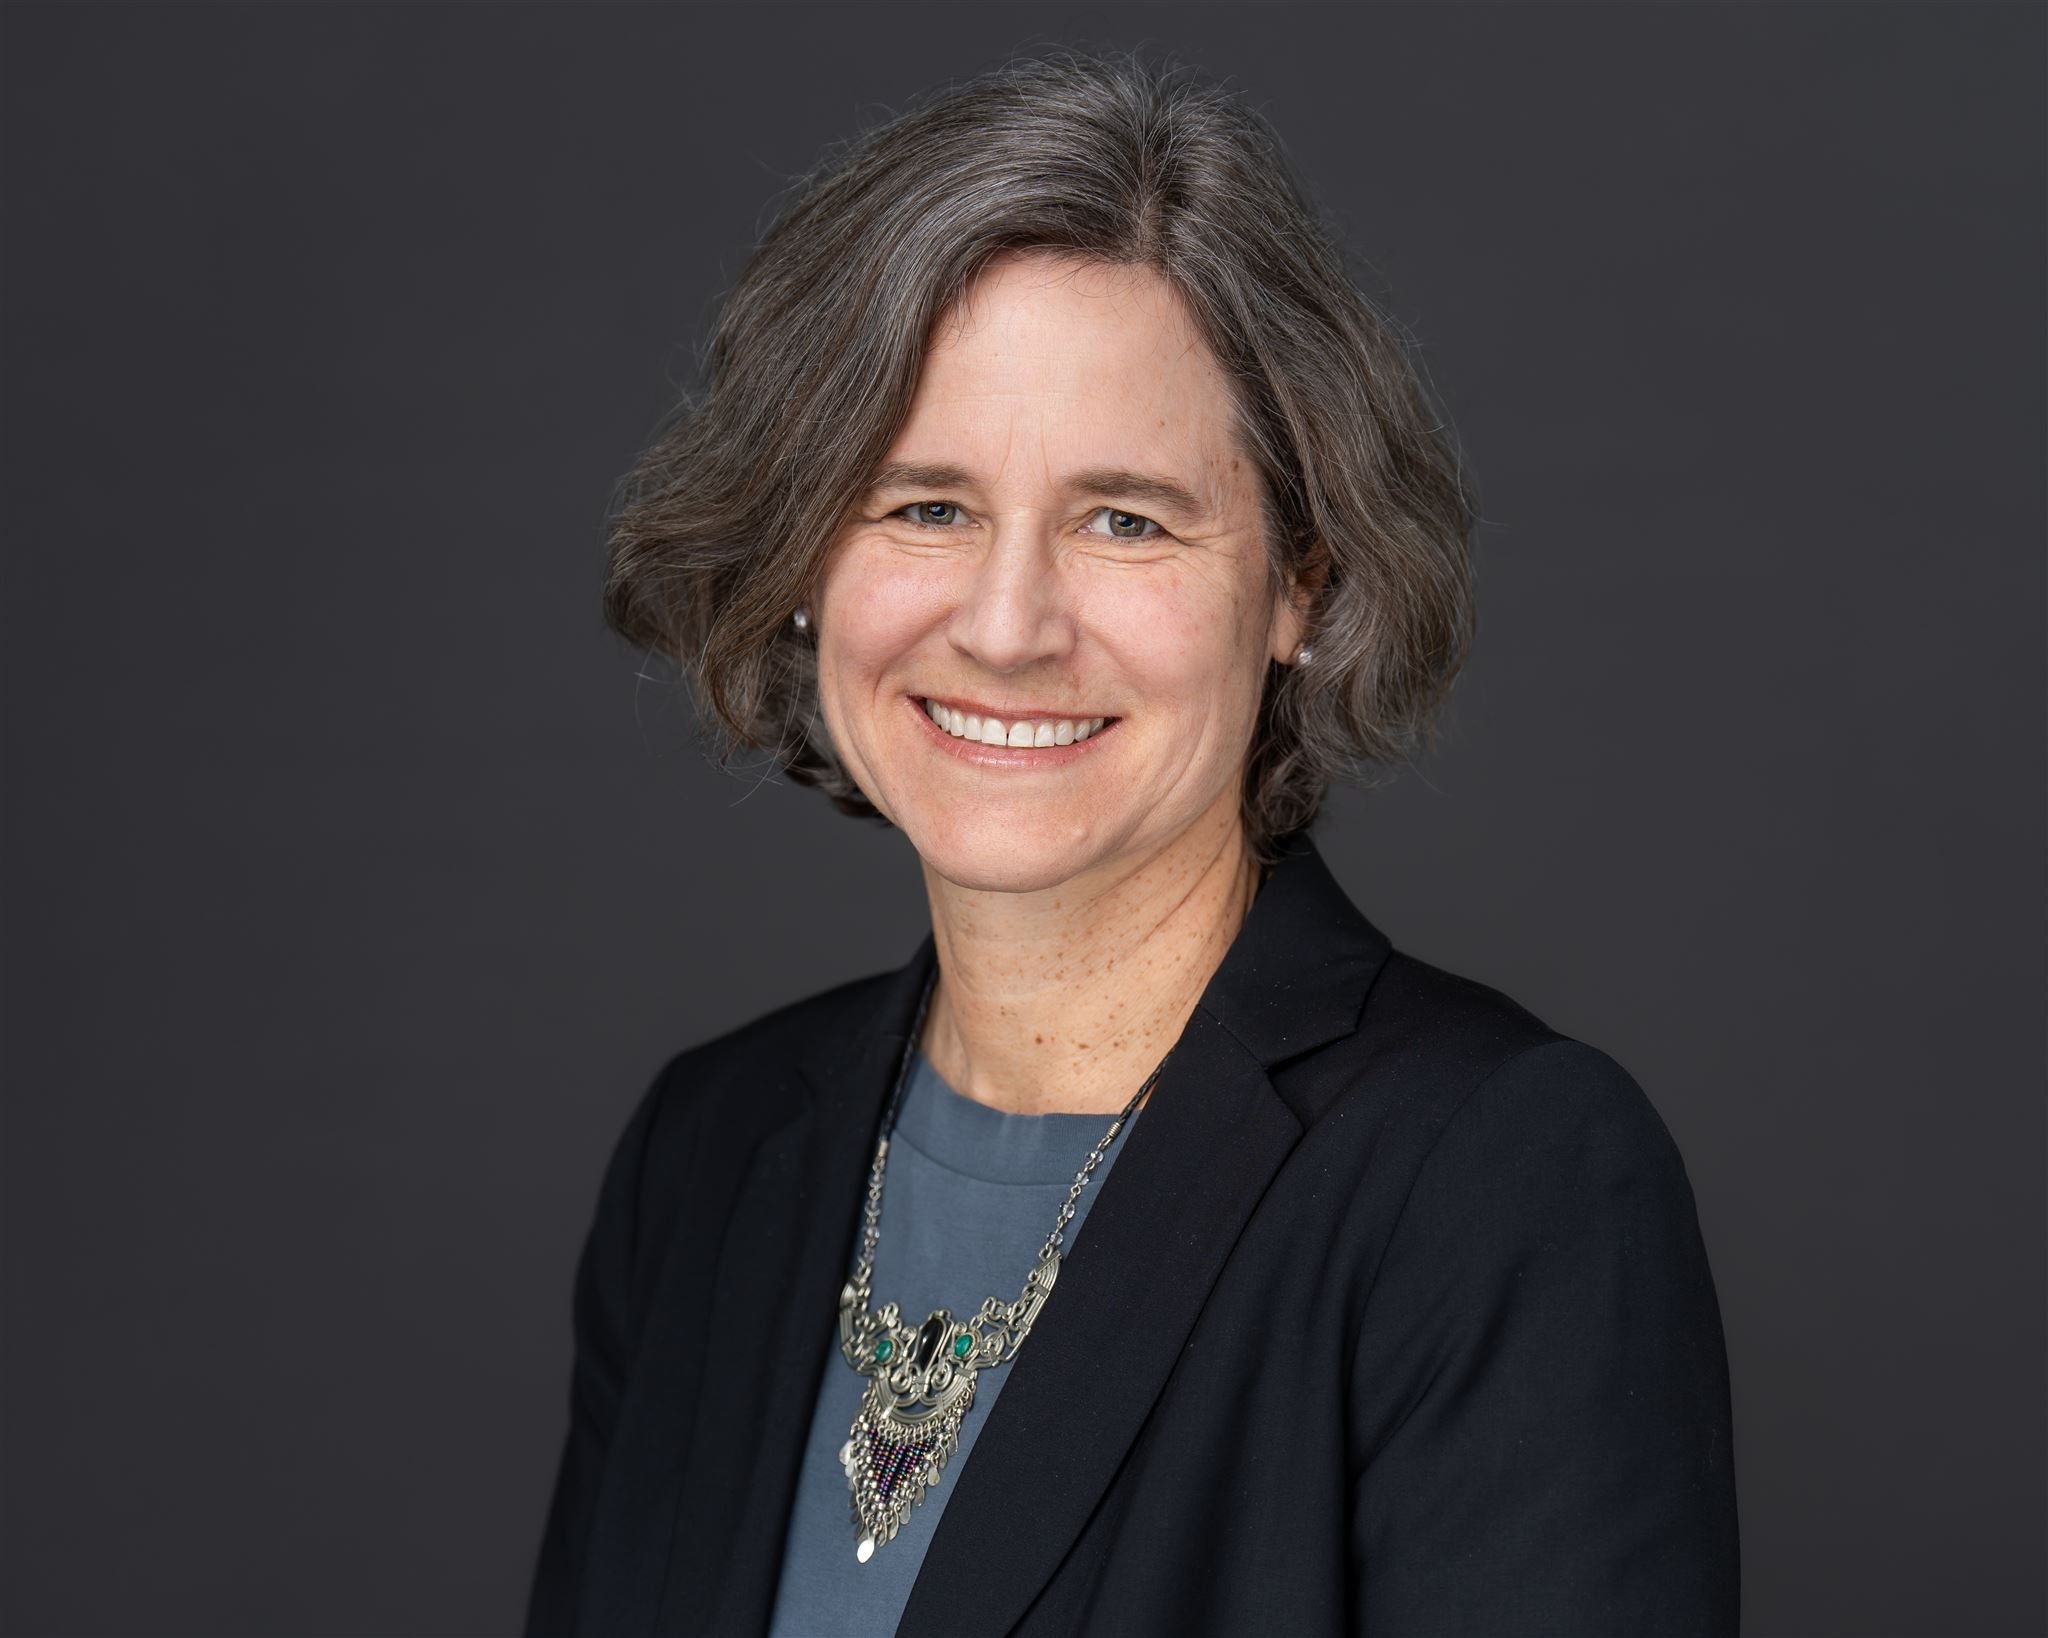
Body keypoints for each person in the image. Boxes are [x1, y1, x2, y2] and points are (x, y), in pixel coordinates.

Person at [523, 48, 1739, 1638]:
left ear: (1303, 577)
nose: (1009, 624)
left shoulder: (1498, 1185)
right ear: (802, 555)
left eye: (1126, 518)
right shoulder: (709, 1156)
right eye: (924, 505)